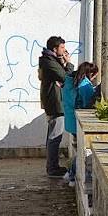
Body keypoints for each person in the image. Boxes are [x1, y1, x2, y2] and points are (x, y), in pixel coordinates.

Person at [37, 35, 73, 177]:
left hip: (56, 102)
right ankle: (52, 168)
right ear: (54, 49)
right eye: (62, 48)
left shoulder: (51, 61)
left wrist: (63, 64)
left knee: (54, 136)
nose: (65, 50)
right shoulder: (49, 62)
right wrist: (68, 64)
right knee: (54, 136)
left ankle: (53, 166)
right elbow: (66, 78)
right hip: (55, 103)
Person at [62, 61, 100, 183]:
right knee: (81, 151)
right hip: (77, 119)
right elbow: (88, 103)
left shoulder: (69, 81)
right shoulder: (84, 85)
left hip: (69, 118)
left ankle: (70, 173)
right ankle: (72, 174)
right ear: (91, 74)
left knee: (78, 149)